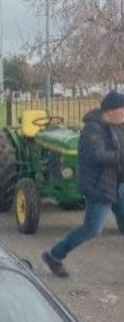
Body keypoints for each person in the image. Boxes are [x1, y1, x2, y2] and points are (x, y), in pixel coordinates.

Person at [42, 90, 124, 278]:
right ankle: (54, 255)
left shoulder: (118, 126)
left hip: (118, 183)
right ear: (111, 111)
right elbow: (98, 155)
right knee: (92, 229)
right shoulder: (92, 129)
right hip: (99, 186)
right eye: (123, 110)